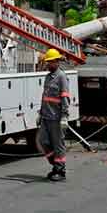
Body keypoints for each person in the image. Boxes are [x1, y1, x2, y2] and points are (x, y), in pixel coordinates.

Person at [37, 48, 70, 182]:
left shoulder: (61, 76)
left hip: (56, 118)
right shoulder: (47, 77)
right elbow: (45, 97)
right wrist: (40, 113)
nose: (48, 64)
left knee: (58, 145)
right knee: (43, 141)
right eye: (48, 62)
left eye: (50, 62)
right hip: (46, 116)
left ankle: (60, 170)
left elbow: (65, 97)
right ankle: (54, 164)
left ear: (57, 62)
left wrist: (64, 117)